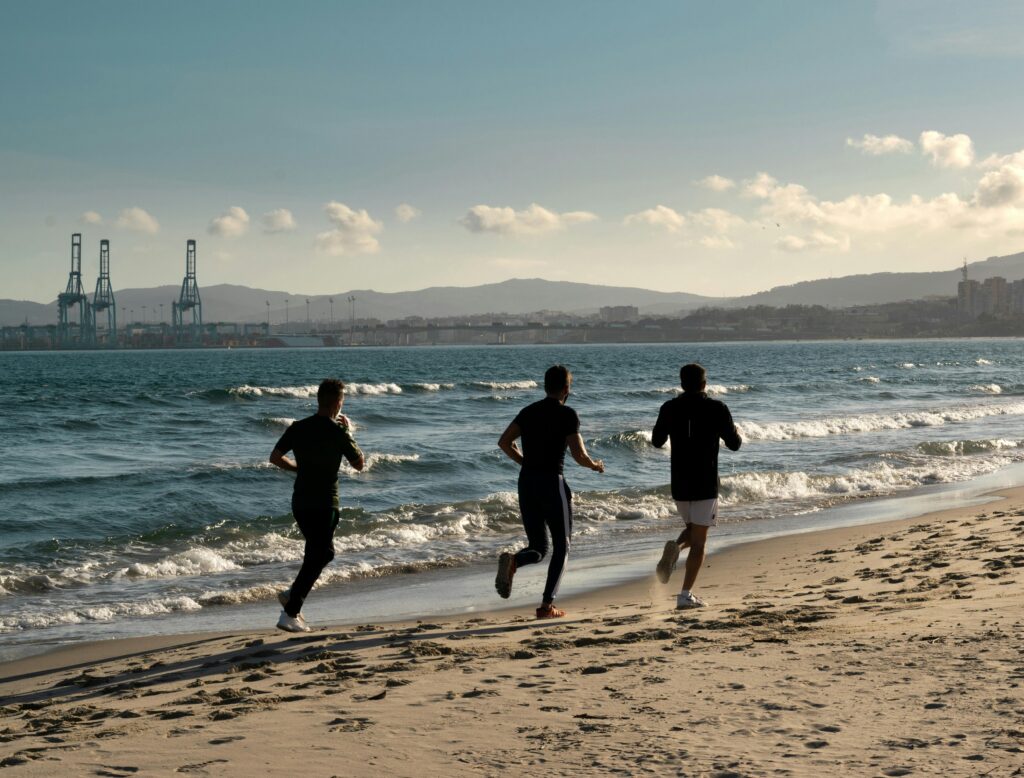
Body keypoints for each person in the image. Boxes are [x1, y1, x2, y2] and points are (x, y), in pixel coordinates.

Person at [495, 365, 604, 619]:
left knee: (538, 547)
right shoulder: (567, 414)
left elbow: (504, 442)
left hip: (527, 483)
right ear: (567, 388)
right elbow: (579, 454)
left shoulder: (528, 411)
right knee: (562, 547)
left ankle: (514, 561)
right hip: (552, 484)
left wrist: (526, 463)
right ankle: (546, 606)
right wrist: (595, 465)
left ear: (545, 387)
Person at [269, 378, 364, 632]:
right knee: (320, 554)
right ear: (337, 403)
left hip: (300, 502)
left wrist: (298, 468)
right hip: (325, 504)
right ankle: (290, 612)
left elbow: (275, 457)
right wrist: (349, 432)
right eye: (342, 400)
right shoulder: (338, 431)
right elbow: (359, 464)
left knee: (322, 553)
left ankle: (292, 595)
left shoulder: (298, 427)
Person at [652, 363, 741, 609]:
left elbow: (657, 441)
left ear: (682, 384)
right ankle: (685, 594)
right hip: (705, 481)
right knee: (700, 541)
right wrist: (733, 429)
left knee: (692, 529)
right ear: (704, 384)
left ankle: (676, 546)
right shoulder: (717, 408)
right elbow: (735, 444)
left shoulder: (669, 408)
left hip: (679, 482)